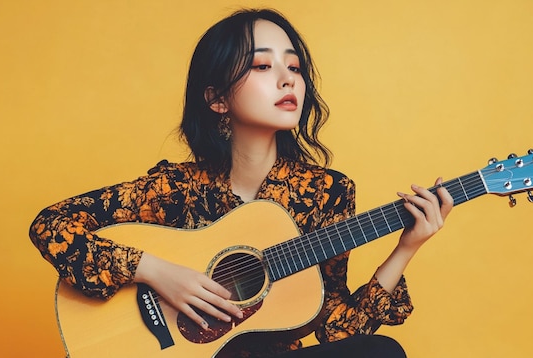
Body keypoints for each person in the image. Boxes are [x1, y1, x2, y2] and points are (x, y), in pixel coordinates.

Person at [29, 8, 453, 358]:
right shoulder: (176, 188)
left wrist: (406, 247)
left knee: (380, 353)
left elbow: (336, 332)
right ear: (217, 99)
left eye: (294, 66)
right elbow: (52, 224)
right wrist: (160, 274)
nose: (288, 79)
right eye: (263, 65)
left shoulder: (327, 192)